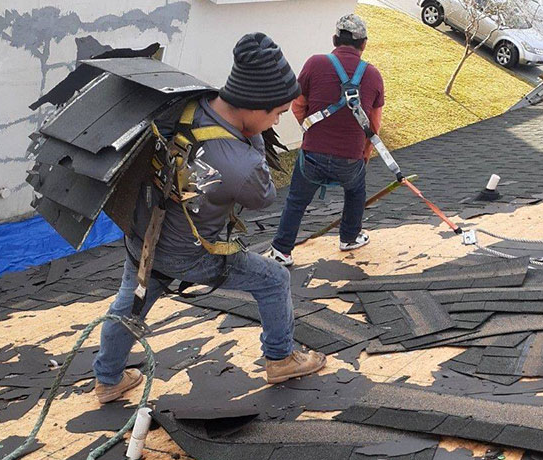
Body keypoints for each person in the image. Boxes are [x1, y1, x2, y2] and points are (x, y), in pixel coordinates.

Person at [92, 33, 326, 403]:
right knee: (274, 279)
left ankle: (107, 379)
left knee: (132, 297)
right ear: (254, 104)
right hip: (191, 253)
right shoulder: (242, 163)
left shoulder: (186, 103)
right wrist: (254, 139)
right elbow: (263, 196)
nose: (279, 121)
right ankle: (280, 359)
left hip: (144, 235)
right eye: (277, 113)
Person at [266, 14, 385, 267]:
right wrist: (363, 154)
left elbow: (298, 105)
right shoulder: (373, 75)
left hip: (312, 156)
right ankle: (349, 238)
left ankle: (281, 250)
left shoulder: (315, 64)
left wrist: (311, 130)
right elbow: (373, 126)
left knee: (296, 201)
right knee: (356, 191)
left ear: (334, 39)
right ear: (363, 44)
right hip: (350, 160)